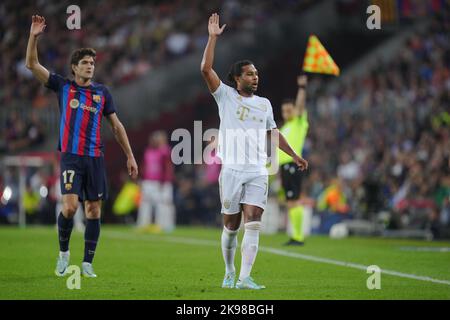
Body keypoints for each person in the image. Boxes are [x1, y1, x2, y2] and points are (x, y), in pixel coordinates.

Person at [200, 13, 308, 290]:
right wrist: (212, 38)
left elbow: (273, 133)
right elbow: (205, 69)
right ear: (237, 78)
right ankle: (229, 270)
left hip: (258, 169)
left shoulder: (265, 104)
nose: (255, 77)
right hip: (232, 170)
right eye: (249, 73)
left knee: (254, 219)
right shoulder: (225, 95)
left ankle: (245, 277)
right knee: (231, 226)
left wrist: (294, 155)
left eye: (257, 73)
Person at [25, 15, 138, 278]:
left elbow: (117, 126)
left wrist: (130, 155)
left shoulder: (103, 93)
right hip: (71, 157)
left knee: (94, 210)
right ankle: (64, 254)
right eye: (85, 63)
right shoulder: (62, 86)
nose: (90, 66)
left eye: (92, 63)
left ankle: (87, 263)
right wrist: (33, 36)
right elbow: (31, 63)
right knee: (70, 207)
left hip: (94, 158)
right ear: (74, 68)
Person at [278, 75, 309, 245]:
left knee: (294, 200)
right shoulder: (284, 128)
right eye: (284, 111)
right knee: (290, 201)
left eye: (289, 110)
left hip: (293, 164)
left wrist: (302, 88)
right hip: (284, 167)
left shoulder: (299, 122)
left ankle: (298, 237)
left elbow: (300, 105)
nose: (287, 113)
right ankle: (295, 235)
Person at [137, 131, 175, 232]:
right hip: (147, 181)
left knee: (163, 203)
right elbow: (143, 166)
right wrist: (141, 179)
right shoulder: (148, 151)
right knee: (145, 203)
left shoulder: (165, 151)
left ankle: (163, 225)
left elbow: (167, 167)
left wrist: (165, 180)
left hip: (160, 182)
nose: (155, 141)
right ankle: (143, 224)